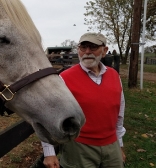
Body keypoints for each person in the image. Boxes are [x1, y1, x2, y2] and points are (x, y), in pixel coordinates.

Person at [41, 32, 126, 168]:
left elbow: (119, 113)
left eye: (93, 47)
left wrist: (119, 144)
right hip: (79, 147)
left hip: (111, 144)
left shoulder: (114, 75)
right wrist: (49, 152)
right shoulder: (65, 78)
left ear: (104, 51)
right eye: (83, 47)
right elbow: (48, 115)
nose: (87, 52)